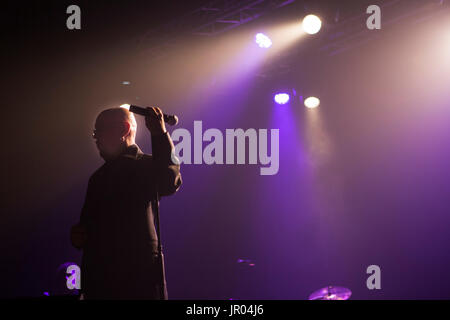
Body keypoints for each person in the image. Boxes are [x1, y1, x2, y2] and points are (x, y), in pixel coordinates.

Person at [70, 106, 182, 299]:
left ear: (123, 129)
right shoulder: (97, 178)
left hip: (137, 283)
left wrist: (160, 134)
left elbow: (170, 180)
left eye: (99, 131)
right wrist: (81, 235)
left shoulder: (146, 166)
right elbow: (86, 229)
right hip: (102, 285)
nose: (95, 138)